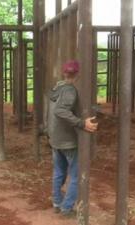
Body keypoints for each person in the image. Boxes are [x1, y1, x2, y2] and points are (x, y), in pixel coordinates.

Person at [47, 60, 98, 218]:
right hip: (68, 140)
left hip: (55, 138)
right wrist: (82, 123)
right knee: (76, 175)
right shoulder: (70, 90)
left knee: (59, 171)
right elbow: (61, 111)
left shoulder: (57, 88)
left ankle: (57, 202)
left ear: (64, 73)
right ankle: (66, 208)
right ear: (77, 75)